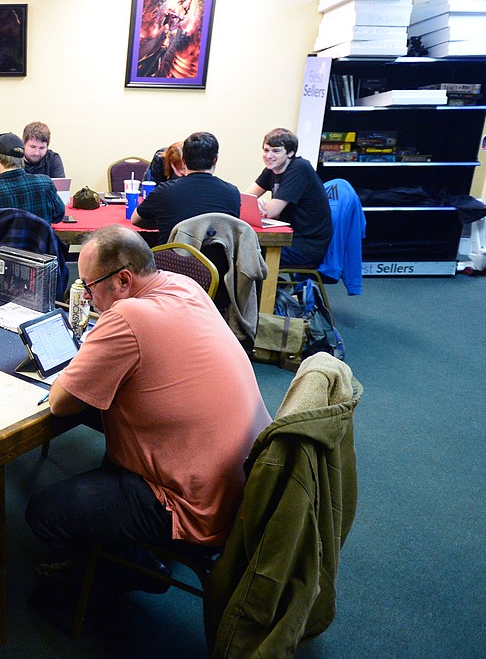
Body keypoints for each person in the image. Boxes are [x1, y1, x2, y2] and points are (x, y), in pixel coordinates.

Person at [26, 225, 270, 593]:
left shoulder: (126, 317)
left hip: (195, 509)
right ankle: (126, 550)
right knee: (113, 423)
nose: (88, 298)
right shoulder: (183, 285)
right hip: (245, 482)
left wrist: (88, 353)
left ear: (123, 279)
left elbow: (60, 402)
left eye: (90, 286)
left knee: (43, 511)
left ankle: (134, 568)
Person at [133, 132, 240, 245]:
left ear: (183, 159)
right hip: (219, 262)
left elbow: (135, 219)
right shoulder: (233, 193)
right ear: (215, 160)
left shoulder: (164, 192)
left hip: (173, 261)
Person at [247, 127, 333, 267]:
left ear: (290, 153)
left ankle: (270, 288)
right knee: (243, 251)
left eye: (276, 151)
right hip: (286, 238)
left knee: (247, 256)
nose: (269, 156)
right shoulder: (272, 169)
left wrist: (257, 207)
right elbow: (245, 199)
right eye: (266, 150)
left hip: (306, 246)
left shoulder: (300, 168)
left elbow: (271, 212)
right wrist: (253, 205)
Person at [0, 132, 65, 228]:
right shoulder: (46, 184)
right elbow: (58, 216)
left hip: (2, 243)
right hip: (39, 243)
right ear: (22, 157)